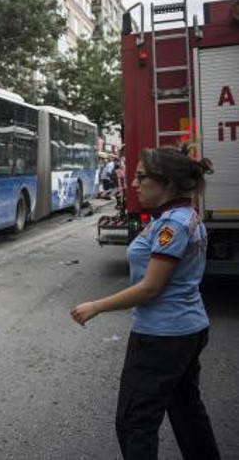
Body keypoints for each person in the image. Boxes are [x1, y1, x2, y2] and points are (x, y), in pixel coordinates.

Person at [71, 146, 220, 459]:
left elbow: (151, 288)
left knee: (135, 422)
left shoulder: (173, 226)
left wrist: (96, 306)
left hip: (162, 336)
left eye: (141, 177)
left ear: (165, 183)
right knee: (187, 413)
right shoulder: (181, 216)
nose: (134, 184)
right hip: (186, 330)